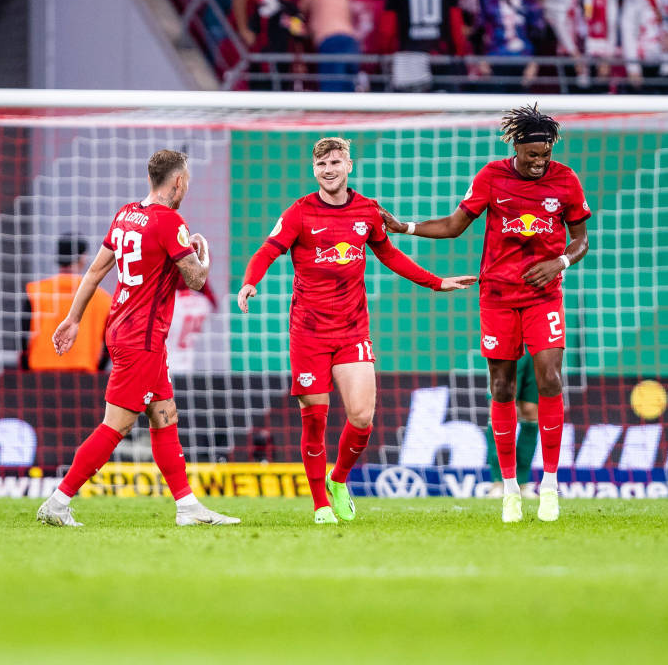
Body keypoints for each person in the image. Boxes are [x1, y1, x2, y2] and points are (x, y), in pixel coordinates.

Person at [237, 137, 476, 524]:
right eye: (321, 165)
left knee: (362, 417)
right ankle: (320, 505)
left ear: (349, 165)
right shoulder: (299, 212)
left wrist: (436, 282)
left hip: (352, 330)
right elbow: (268, 250)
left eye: (335, 162)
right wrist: (251, 282)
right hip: (309, 333)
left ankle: (339, 480)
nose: (328, 170)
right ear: (314, 170)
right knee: (315, 418)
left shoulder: (367, 211)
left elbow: (390, 255)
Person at [381, 105, 591, 523]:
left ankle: (548, 484)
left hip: (544, 295)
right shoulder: (492, 177)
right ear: (516, 147)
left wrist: (561, 263)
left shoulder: (565, 180)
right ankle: (509, 488)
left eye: (545, 155)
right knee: (502, 387)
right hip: (496, 296)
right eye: (532, 155)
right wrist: (403, 227)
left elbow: (581, 239)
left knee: (550, 375)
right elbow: (455, 225)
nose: (538, 162)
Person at [37, 150, 239, 528]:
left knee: (164, 417)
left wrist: (74, 318)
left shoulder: (126, 214)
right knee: (116, 425)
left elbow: (96, 270)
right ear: (178, 181)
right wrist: (203, 252)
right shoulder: (169, 221)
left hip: (124, 328)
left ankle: (187, 507)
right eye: (187, 183)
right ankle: (59, 500)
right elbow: (195, 280)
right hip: (142, 337)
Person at [23, 236, 112, 372]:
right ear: (82, 258)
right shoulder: (102, 298)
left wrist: (25, 368)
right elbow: (109, 341)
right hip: (83, 373)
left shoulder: (36, 292)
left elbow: (23, 336)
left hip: (41, 372)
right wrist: (99, 370)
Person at [476, 0, 546, 91]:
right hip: (496, 59)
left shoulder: (529, 3)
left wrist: (534, 62)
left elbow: (538, 33)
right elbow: (480, 31)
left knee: (522, 107)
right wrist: (482, 60)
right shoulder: (487, 2)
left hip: (523, 60)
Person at [485, 352, 539, 498]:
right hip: (507, 341)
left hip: (537, 342)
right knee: (499, 408)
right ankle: (498, 482)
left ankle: (522, 483)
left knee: (531, 410)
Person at [298, 0, 361, 91]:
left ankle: (329, 112)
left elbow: (298, 13)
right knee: (348, 87)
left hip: (330, 40)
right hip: (351, 41)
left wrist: (299, 30)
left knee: (331, 87)